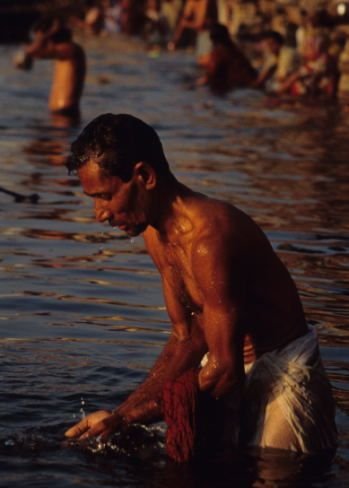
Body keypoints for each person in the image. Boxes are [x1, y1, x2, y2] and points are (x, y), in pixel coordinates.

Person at [64, 113, 337, 457]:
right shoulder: (154, 235)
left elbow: (225, 370)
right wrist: (119, 416)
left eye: (105, 196)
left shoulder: (210, 239)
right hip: (225, 366)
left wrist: (129, 418)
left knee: (277, 473)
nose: (99, 214)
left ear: (144, 176)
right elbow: (188, 338)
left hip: (284, 371)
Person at [14, 17, 86, 116]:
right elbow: (30, 59)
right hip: (59, 113)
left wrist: (46, 34)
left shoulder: (71, 49)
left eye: (39, 38)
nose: (37, 41)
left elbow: (32, 51)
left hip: (66, 112)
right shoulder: (63, 52)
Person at [197, 22, 257, 93]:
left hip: (237, 87)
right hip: (245, 85)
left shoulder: (219, 52)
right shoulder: (233, 50)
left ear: (212, 38)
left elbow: (212, 74)